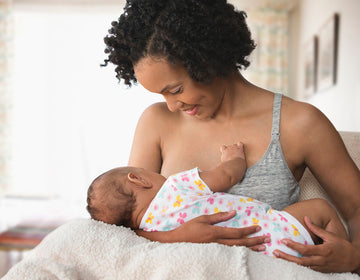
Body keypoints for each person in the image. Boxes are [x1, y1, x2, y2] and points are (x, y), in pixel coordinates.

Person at [102, 0, 360, 273]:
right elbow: (124, 226)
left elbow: (356, 208)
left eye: (176, 90)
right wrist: (171, 238)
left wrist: (355, 258)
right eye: (161, 95)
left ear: (206, 59)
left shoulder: (299, 123)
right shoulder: (156, 122)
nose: (171, 105)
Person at [87, 143, 347, 258]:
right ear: (138, 180)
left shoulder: (148, 233)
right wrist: (233, 157)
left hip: (258, 256)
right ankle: (334, 257)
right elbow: (228, 175)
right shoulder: (175, 185)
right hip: (273, 232)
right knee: (321, 209)